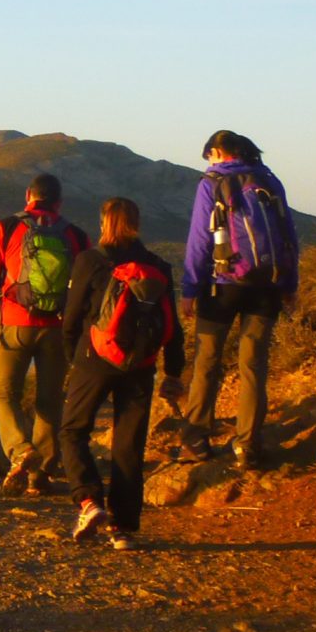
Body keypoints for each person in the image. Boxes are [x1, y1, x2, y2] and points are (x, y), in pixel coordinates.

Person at [61, 196, 184, 551]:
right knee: (128, 444)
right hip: (141, 365)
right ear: (138, 223)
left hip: (94, 360)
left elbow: (71, 317)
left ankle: (89, 501)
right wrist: (173, 372)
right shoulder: (157, 265)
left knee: (72, 431)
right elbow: (172, 325)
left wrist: (74, 356)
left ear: (104, 223)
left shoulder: (90, 261)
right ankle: (123, 528)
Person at [181, 130, 301, 469]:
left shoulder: (212, 183)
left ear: (218, 152)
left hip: (223, 284)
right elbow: (289, 233)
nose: (209, 162)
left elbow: (200, 240)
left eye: (210, 155)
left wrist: (190, 288)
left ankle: (196, 441)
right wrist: (290, 283)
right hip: (267, 285)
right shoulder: (270, 181)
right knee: (253, 365)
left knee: (207, 361)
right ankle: (248, 444)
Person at [0, 172, 90, 493]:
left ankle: (21, 450)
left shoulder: (7, 227)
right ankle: (41, 476)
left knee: (3, 394)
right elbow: (85, 288)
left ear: (28, 196)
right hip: (57, 329)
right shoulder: (76, 235)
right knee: (50, 401)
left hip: (15, 324)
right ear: (59, 202)